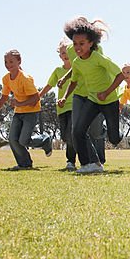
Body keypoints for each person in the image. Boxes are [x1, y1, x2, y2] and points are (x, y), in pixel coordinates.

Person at [57, 18, 126, 174]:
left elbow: (120, 75)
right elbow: (74, 81)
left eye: (82, 44)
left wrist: (107, 92)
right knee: (78, 130)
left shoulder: (98, 58)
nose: (78, 47)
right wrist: (65, 97)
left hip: (109, 100)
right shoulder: (76, 62)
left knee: (114, 138)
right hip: (93, 100)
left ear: (90, 43)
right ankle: (88, 164)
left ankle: (113, 130)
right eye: (75, 44)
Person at [0, 50, 53, 170]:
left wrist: (20, 103)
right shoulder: (6, 79)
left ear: (19, 61)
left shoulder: (25, 79)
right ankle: (24, 164)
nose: (8, 64)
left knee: (23, 140)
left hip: (32, 111)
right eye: (6, 62)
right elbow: (4, 96)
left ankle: (45, 140)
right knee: (12, 139)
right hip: (19, 112)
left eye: (11, 61)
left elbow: (36, 98)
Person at [37, 39, 78, 171]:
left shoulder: (77, 67)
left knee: (71, 134)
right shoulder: (57, 70)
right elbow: (49, 85)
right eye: (62, 53)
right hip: (61, 107)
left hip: (75, 105)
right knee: (65, 137)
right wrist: (39, 96)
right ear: (59, 55)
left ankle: (70, 161)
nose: (65, 55)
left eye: (67, 52)